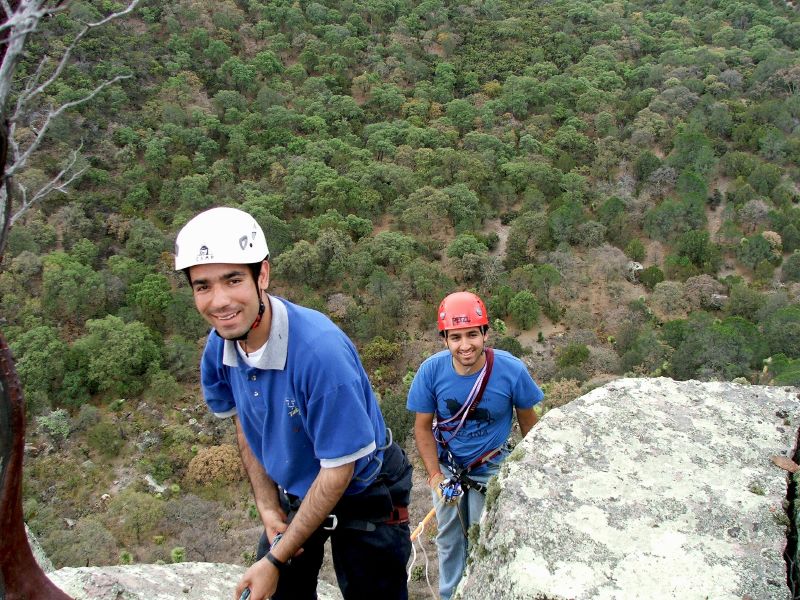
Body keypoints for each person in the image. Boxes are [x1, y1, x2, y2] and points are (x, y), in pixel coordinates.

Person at [174, 207, 412, 600]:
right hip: (298, 487)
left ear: (261, 275)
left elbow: (339, 471)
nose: (219, 301)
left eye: (233, 280)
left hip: (365, 486)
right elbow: (245, 424)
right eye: (202, 286)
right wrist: (268, 510)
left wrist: (274, 561)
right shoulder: (220, 347)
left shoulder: (320, 354)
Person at [406, 291, 543, 600]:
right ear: (444, 339)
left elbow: (528, 424)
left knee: (484, 536)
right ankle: (450, 595)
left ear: (485, 333)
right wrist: (435, 478)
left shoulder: (510, 370)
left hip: (490, 465)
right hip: (448, 467)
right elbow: (422, 428)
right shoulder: (431, 372)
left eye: (472, 334)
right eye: (456, 337)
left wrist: (530, 472)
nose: (465, 345)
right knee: (450, 538)